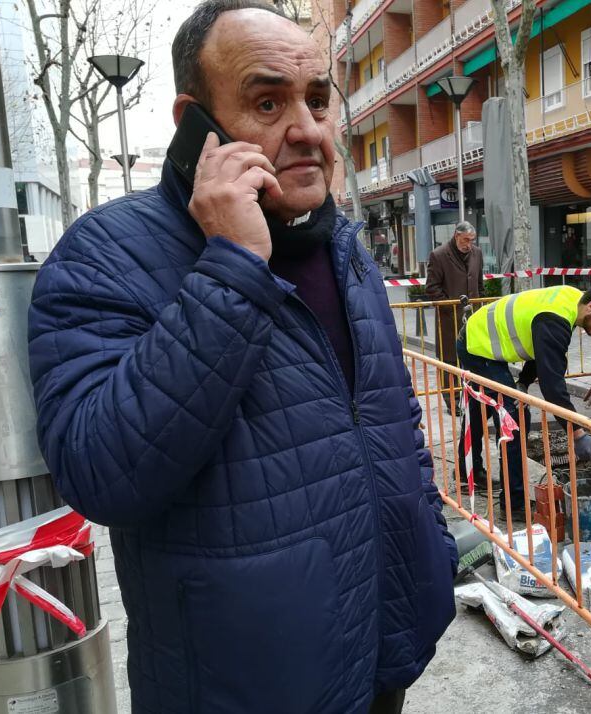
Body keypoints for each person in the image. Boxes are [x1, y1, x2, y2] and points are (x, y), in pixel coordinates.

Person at [27, 3, 455, 713]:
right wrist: (232, 265)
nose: (308, 130)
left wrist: (430, 552)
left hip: (387, 653)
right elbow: (98, 473)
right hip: (245, 688)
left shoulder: (347, 252)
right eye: (267, 102)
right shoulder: (103, 256)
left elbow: (396, 421)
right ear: (195, 123)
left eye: (317, 100)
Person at [457, 282, 591, 510]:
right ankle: (515, 504)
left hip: (477, 336)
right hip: (477, 346)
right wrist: (576, 433)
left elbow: (543, 352)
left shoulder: (571, 301)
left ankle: (469, 470)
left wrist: (524, 383)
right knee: (514, 420)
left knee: (482, 408)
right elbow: (552, 386)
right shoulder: (556, 319)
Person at [425, 221, 484, 407]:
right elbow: (432, 287)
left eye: (472, 240)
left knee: (472, 355)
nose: (469, 244)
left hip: (473, 317)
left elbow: (479, 284)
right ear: (456, 235)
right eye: (466, 239)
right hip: (449, 318)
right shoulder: (439, 255)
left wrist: (479, 307)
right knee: (449, 360)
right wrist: (449, 306)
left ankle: (472, 395)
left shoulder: (477, 253)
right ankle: (452, 399)